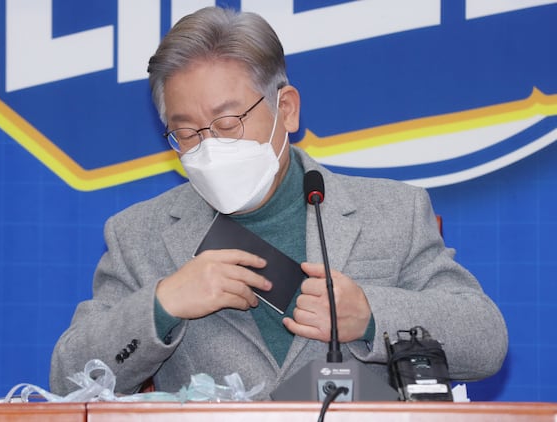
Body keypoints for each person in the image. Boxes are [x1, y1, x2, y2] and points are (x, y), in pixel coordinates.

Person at [50, 6, 507, 399]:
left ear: (285, 109)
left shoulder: (393, 212)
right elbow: (68, 378)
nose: (208, 146)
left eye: (227, 123)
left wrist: (371, 316)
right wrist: (162, 304)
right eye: (186, 132)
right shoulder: (138, 234)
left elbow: (485, 339)